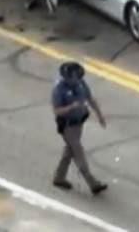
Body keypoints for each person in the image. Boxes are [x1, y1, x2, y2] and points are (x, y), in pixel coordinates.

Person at [51, 61, 108, 195]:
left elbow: (90, 98)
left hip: (79, 123)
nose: (76, 79)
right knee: (78, 153)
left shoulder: (81, 83)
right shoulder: (59, 89)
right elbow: (57, 111)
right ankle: (93, 184)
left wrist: (100, 115)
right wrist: (71, 107)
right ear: (67, 77)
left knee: (69, 151)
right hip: (68, 126)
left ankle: (59, 178)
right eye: (73, 77)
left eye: (78, 76)